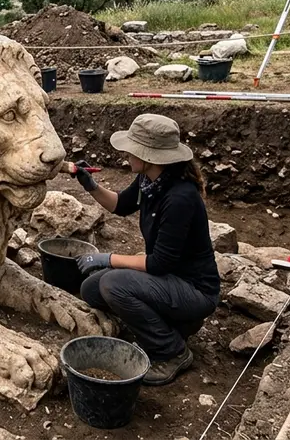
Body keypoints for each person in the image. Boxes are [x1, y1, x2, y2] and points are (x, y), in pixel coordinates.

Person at [66, 113, 220, 386]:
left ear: (149, 156)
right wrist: (91, 185)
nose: (126, 155)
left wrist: (108, 259)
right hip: (168, 281)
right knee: (91, 289)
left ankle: (172, 351)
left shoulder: (180, 197)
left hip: (194, 290)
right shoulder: (150, 181)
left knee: (113, 284)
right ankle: (168, 325)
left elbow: (159, 263)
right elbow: (120, 205)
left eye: (132, 150)